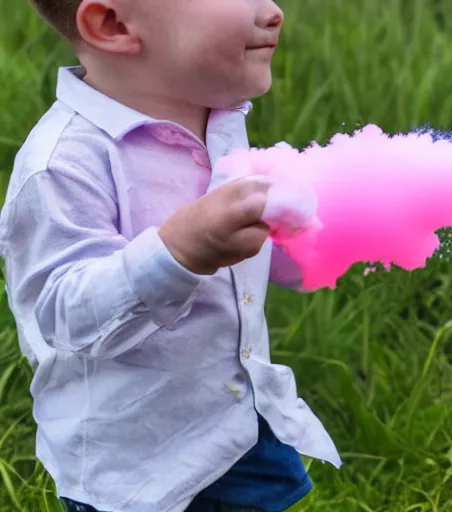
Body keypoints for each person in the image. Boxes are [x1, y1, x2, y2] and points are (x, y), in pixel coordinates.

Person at [0, 0, 341, 510]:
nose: (273, 12)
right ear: (113, 24)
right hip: (138, 464)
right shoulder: (62, 165)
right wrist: (180, 250)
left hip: (238, 420)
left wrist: (301, 243)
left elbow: (241, 261)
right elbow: (63, 315)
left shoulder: (215, 117)